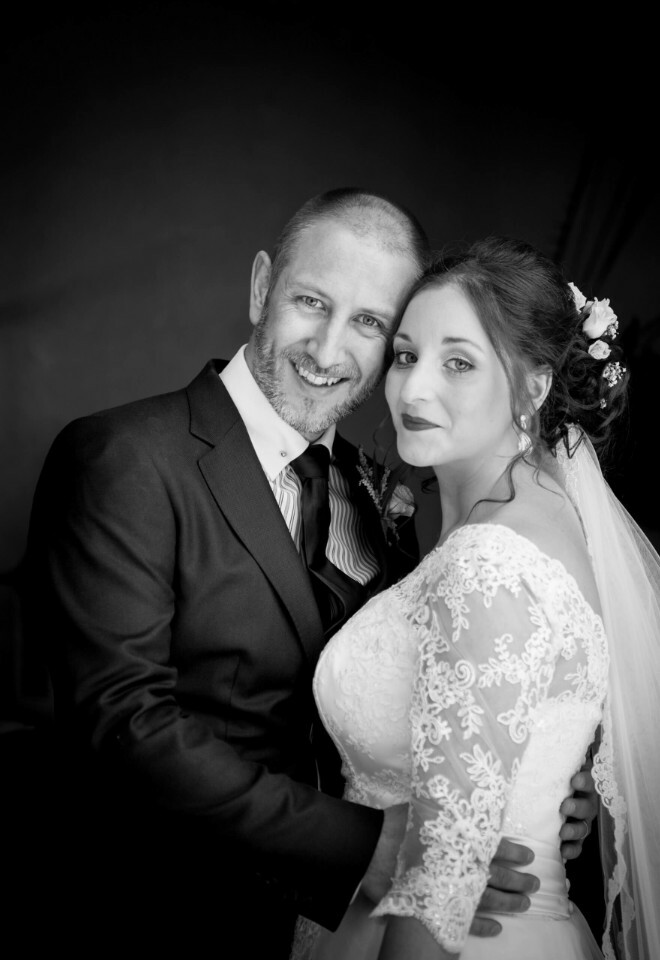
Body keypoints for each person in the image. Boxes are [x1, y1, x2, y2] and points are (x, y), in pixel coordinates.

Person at [24, 193, 597, 957]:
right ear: (263, 288)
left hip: (332, 930)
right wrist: (362, 845)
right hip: (169, 917)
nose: (329, 349)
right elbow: (125, 724)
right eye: (311, 302)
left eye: (369, 324)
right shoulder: (126, 457)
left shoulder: (372, 484)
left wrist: (544, 777)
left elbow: (440, 685)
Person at [291, 236, 660, 960]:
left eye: (458, 362)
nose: (413, 389)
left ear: (535, 386)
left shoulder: (489, 560)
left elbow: (440, 892)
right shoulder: (546, 524)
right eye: (405, 355)